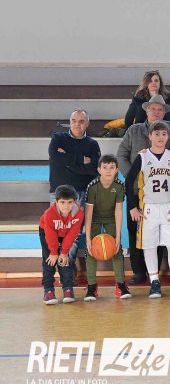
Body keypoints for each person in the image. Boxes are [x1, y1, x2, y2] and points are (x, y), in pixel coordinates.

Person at [117, 94, 170, 284]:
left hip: (162, 193)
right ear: (147, 110)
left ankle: (155, 273)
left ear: (164, 112)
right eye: (153, 109)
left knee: (159, 232)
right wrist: (133, 176)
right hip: (136, 191)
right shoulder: (133, 130)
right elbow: (121, 155)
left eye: (160, 109)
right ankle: (138, 271)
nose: (156, 112)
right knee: (134, 229)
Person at [124, 121, 170, 299]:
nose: (160, 137)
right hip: (148, 208)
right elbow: (129, 181)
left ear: (168, 137)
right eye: (157, 134)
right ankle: (154, 282)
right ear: (150, 136)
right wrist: (132, 207)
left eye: (164, 134)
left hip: (169, 207)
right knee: (149, 245)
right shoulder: (143, 157)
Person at [48, 108, 100, 279]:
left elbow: (93, 170)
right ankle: (62, 269)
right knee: (58, 232)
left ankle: (67, 270)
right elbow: (55, 157)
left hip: (80, 193)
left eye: (81, 121)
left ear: (87, 123)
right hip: (58, 193)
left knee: (74, 233)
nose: (77, 124)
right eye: (74, 121)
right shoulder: (58, 138)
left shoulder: (92, 144)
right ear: (70, 122)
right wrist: (80, 160)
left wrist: (67, 161)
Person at [83, 155, 131, 301]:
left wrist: (118, 236)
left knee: (116, 249)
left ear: (116, 170)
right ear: (99, 170)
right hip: (95, 219)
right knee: (91, 250)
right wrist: (88, 238)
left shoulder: (119, 186)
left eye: (111, 167)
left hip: (110, 218)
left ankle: (120, 285)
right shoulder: (92, 186)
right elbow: (88, 214)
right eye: (105, 167)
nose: (108, 171)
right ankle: (92, 286)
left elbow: (118, 211)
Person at [39, 185, 83, 305]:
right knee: (49, 261)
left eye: (70, 202)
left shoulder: (78, 213)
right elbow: (50, 234)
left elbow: (72, 234)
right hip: (48, 233)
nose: (66, 206)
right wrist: (53, 252)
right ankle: (48, 290)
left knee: (65, 260)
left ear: (75, 201)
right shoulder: (49, 214)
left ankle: (68, 288)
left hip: (66, 234)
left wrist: (64, 252)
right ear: (57, 201)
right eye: (62, 202)